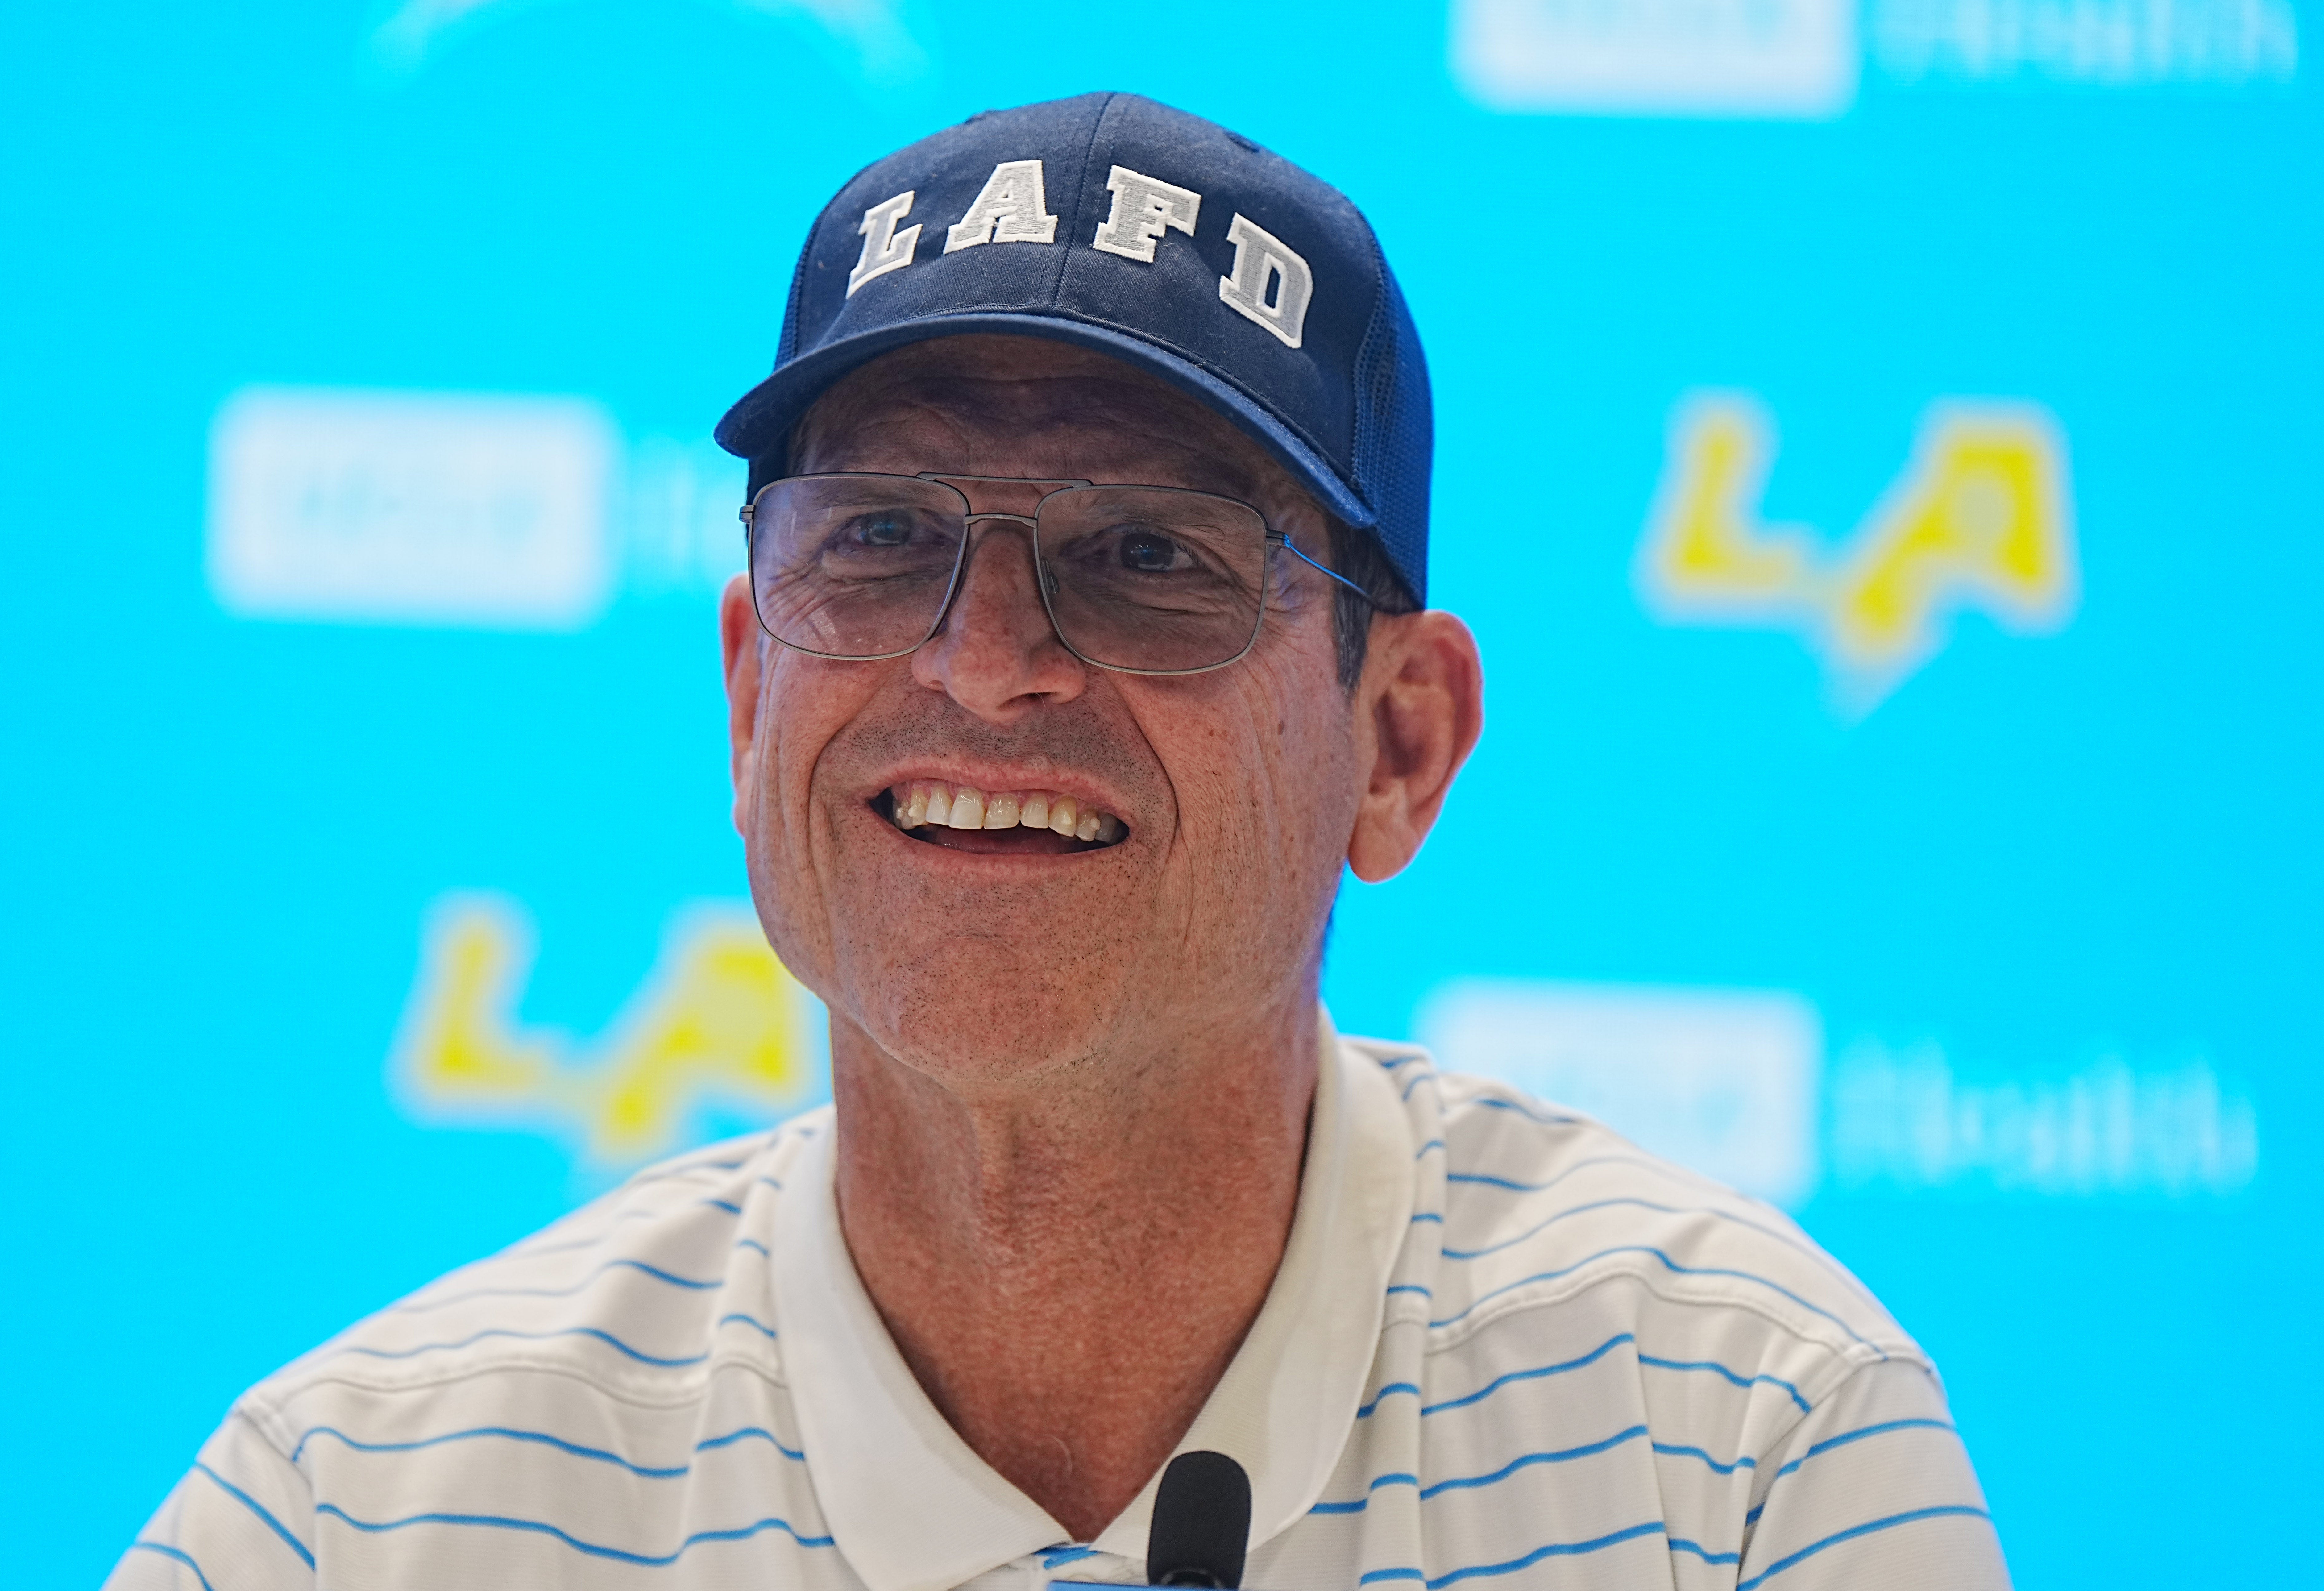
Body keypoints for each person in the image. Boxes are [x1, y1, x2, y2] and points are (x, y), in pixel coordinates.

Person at [111, 94, 2008, 1590]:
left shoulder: (1742, 1449)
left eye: (1149, 556)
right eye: (878, 540)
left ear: (1398, 743)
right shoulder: (355, 1512)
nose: (984, 661)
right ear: (751, 692)